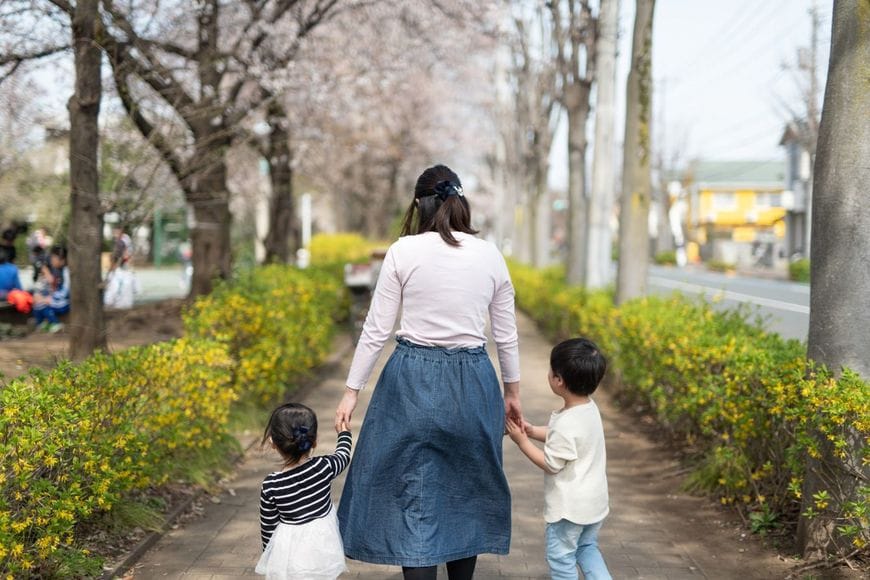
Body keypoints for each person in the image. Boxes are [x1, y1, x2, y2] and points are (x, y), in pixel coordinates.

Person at [334, 164, 522, 580]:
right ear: (459, 203)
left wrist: (352, 391)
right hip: (474, 381)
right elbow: (506, 336)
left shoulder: (404, 250)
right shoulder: (490, 255)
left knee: (411, 494)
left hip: (411, 381)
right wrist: (512, 394)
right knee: (466, 493)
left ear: (420, 203)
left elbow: (376, 329)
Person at [505, 338, 611, 580]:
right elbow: (568, 442)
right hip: (593, 504)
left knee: (561, 560)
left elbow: (552, 463)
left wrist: (522, 442)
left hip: (569, 511)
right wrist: (532, 431)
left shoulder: (566, 423)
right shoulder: (589, 409)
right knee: (587, 548)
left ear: (559, 380)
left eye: (551, 369)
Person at [256, 402, 352, 580]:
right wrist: (344, 433)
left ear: (273, 443)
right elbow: (343, 455)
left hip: (289, 550)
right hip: (324, 543)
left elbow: (268, 528)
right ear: (314, 441)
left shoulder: (272, 485)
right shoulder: (324, 467)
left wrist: (270, 557)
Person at [32, 245, 70, 333]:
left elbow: (66, 292)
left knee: (44, 304)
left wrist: (50, 298)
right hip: (58, 298)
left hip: (65, 301)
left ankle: (56, 323)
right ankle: (41, 324)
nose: (52, 260)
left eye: (54, 258)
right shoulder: (57, 271)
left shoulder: (66, 272)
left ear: (62, 260)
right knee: (37, 303)